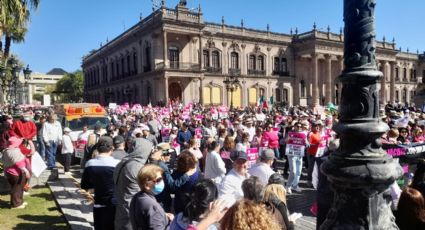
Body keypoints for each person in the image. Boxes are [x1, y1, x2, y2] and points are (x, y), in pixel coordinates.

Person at [113, 138, 154, 230]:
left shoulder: (123, 162)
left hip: (121, 210)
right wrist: (155, 162)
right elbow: (153, 188)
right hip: (132, 214)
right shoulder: (137, 167)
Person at [81, 136, 120, 230]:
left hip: (98, 202)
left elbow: (85, 185)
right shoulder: (118, 163)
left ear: (97, 148)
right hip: (115, 203)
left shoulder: (90, 164)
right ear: (112, 148)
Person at [129, 164, 174, 230]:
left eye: (162, 178)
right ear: (147, 185)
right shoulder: (152, 206)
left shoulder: (137, 196)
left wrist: (163, 216)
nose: (162, 181)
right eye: (159, 179)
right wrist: (171, 222)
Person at [2, 136, 31, 209]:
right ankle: (16, 204)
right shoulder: (14, 151)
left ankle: (19, 201)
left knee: (18, 188)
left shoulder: (7, 150)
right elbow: (19, 163)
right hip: (16, 173)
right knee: (17, 188)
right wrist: (26, 171)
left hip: (10, 172)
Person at [285, 122, 309, 194]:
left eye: (300, 126)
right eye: (297, 126)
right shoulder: (289, 133)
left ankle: (295, 185)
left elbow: (307, 145)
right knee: (293, 171)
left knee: (298, 172)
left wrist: (306, 142)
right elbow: (283, 141)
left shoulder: (303, 134)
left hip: (299, 155)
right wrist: (287, 139)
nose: (299, 127)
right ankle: (288, 186)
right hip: (292, 155)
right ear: (294, 127)